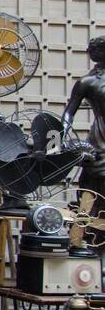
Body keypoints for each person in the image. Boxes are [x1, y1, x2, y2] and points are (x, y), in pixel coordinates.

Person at [62, 36, 105, 240]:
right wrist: (60, 136)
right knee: (93, 196)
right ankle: (87, 241)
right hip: (100, 141)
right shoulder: (88, 82)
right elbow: (69, 112)